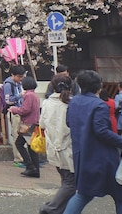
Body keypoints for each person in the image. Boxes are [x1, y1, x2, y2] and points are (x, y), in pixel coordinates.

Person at [62, 70, 122, 214]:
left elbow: (69, 123)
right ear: (99, 86)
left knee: (83, 194)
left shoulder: (74, 101)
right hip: (102, 158)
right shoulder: (99, 105)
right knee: (121, 195)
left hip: (82, 155)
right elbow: (101, 131)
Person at [39, 75, 75, 214]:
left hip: (53, 147)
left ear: (52, 87)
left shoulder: (47, 103)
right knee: (71, 183)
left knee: (66, 181)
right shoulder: (71, 103)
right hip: (68, 147)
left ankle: (59, 209)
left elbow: (42, 124)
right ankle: (51, 208)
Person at [9, 76, 41, 178]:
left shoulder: (28, 95)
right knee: (31, 147)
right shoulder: (35, 95)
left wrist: (14, 109)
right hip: (34, 123)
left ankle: (30, 166)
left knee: (19, 143)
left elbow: (25, 110)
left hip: (27, 124)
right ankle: (35, 170)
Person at [4, 65, 26, 167]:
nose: (21, 79)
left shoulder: (19, 83)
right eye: (19, 76)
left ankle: (24, 157)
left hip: (21, 111)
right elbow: (8, 100)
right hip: (14, 112)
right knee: (16, 135)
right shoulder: (8, 85)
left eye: (22, 76)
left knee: (23, 135)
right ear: (13, 75)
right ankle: (18, 159)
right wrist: (20, 95)